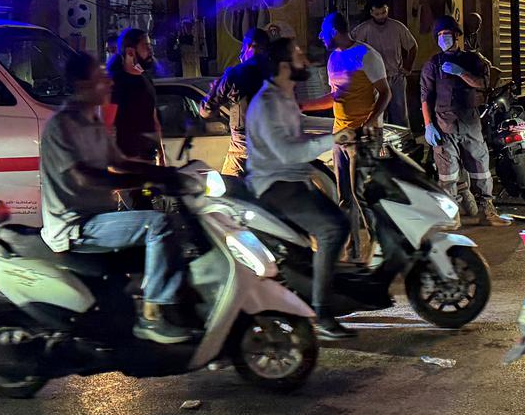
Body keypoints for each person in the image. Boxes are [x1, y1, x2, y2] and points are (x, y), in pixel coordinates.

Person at [40, 53, 195, 343]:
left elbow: (119, 161)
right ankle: (154, 314)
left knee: (180, 229)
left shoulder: (93, 122)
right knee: (158, 224)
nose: (108, 81)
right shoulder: (61, 126)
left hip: (100, 217)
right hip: (76, 225)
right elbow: (85, 177)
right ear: (83, 84)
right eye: (101, 77)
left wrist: (163, 173)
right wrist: (144, 179)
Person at [245, 37, 356, 339]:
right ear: (284, 67)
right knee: (333, 228)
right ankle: (322, 312)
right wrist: (333, 139)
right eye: (298, 55)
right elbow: (288, 152)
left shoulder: (283, 97)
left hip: (294, 181)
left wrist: (341, 129)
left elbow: (300, 125)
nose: (304, 60)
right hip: (275, 186)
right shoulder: (267, 103)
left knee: (339, 220)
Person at [420, 15, 503, 225]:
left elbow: (484, 83)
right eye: (439, 35)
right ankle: (451, 217)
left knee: (480, 168)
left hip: (470, 124)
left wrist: (462, 73)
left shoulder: (473, 60)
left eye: (446, 34)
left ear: (456, 36)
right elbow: (425, 97)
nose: (443, 39)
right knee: (447, 176)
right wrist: (429, 125)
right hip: (444, 125)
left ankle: (487, 212)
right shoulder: (433, 64)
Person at [321, 12, 390, 249]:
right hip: (341, 132)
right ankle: (352, 246)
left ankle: (379, 246)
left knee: (363, 196)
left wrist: (370, 123)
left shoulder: (366, 55)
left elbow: (386, 92)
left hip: (364, 135)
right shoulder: (332, 59)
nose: (320, 37)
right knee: (344, 197)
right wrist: (303, 105)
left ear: (333, 31)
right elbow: (336, 96)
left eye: (323, 32)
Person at [203, 28, 272, 176]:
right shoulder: (279, 73)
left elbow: (206, 110)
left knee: (227, 195)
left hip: (243, 153)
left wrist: (213, 89)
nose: (241, 53)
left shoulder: (236, 74)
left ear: (248, 46)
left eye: (243, 48)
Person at [350, 0, 418, 128]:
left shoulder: (397, 27)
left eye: (384, 12)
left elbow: (413, 46)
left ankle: (403, 144)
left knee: (400, 114)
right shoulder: (364, 29)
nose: (381, 17)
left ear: (388, 10)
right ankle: (380, 144)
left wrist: (408, 67)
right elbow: (353, 48)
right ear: (371, 13)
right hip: (375, 79)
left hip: (395, 75)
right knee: (377, 114)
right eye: (377, 14)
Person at [105, 27, 165, 164]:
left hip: (149, 159)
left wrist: (161, 154)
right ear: (130, 52)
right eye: (146, 46)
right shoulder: (116, 83)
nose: (151, 52)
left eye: (151, 47)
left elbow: (153, 119)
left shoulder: (146, 80)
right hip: (126, 162)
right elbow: (107, 125)